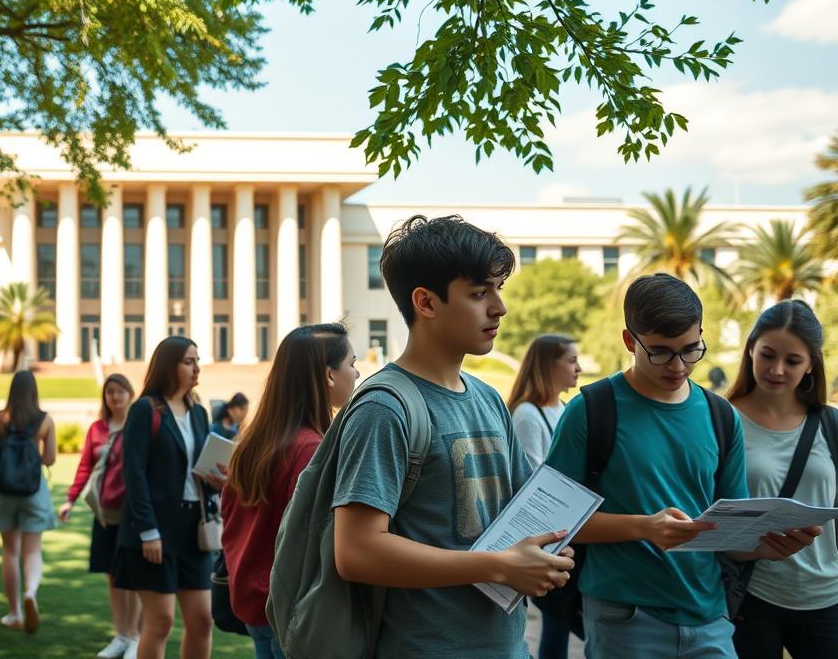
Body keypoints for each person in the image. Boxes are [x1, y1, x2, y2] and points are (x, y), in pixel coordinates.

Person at [329, 215, 574, 658]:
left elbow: (525, 509)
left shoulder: (489, 398)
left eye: (498, 289)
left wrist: (543, 553)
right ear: (425, 302)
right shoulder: (384, 407)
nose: (499, 308)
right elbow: (357, 552)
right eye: (480, 293)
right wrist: (498, 566)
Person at [546, 274, 820, 658]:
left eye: (691, 350)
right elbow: (554, 523)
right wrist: (644, 527)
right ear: (630, 341)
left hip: (711, 618)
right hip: (623, 618)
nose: (678, 366)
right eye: (660, 352)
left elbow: (731, 536)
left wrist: (767, 545)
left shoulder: (721, 415)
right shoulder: (591, 410)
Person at [222, 323, 361, 659]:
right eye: (352, 363)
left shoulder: (254, 442)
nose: (357, 374)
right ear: (329, 375)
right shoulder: (310, 449)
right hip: (292, 609)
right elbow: (320, 540)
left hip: (255, 602)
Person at [725, 301, 838, 659]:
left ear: (811, 365)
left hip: (828, 596)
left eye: (792, 361)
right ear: (751, 350)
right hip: (752, 595)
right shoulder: (722, 419)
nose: (777, 370)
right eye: (768, 355)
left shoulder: (831, 423)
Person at [113, 336, 222, 659]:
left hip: (193, 529)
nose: (196, 368)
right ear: (169, 366)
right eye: (189, 361)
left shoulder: (199, 412)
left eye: (197, 360)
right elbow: (134, 474)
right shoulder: (144, 410)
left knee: (202, 620)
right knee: (160, 622)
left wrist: (216, 480)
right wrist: (148, 531)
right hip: (155, 530)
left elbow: (198, 466)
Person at [505, 334, 582, 659]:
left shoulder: (563, 409)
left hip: (566, 529)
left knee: (561, 620)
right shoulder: (527, 414)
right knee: (556, 620)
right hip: (547, 532)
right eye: (571, 360)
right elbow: (532, 479)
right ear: (549, 365)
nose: (579, 368)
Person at [60, 373, 144, 659]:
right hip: (104, 514)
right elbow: (85, 466)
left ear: (130, 394)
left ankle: (136, 637)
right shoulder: (97, 429)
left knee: (132, 578)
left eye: (120, 391)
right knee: (112, 577)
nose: (115, 397)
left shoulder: (137, 426)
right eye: (110, 392)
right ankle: (121, 634)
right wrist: (70, 500)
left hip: (132, 514)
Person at [0, 370, 58, 633]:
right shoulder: (44, 420)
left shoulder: (0, 419)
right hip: (33, 490)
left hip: (4, 492)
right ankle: (30, 591)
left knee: (10, 551)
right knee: (33, 550)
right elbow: (50, 459)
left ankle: (15, 612)